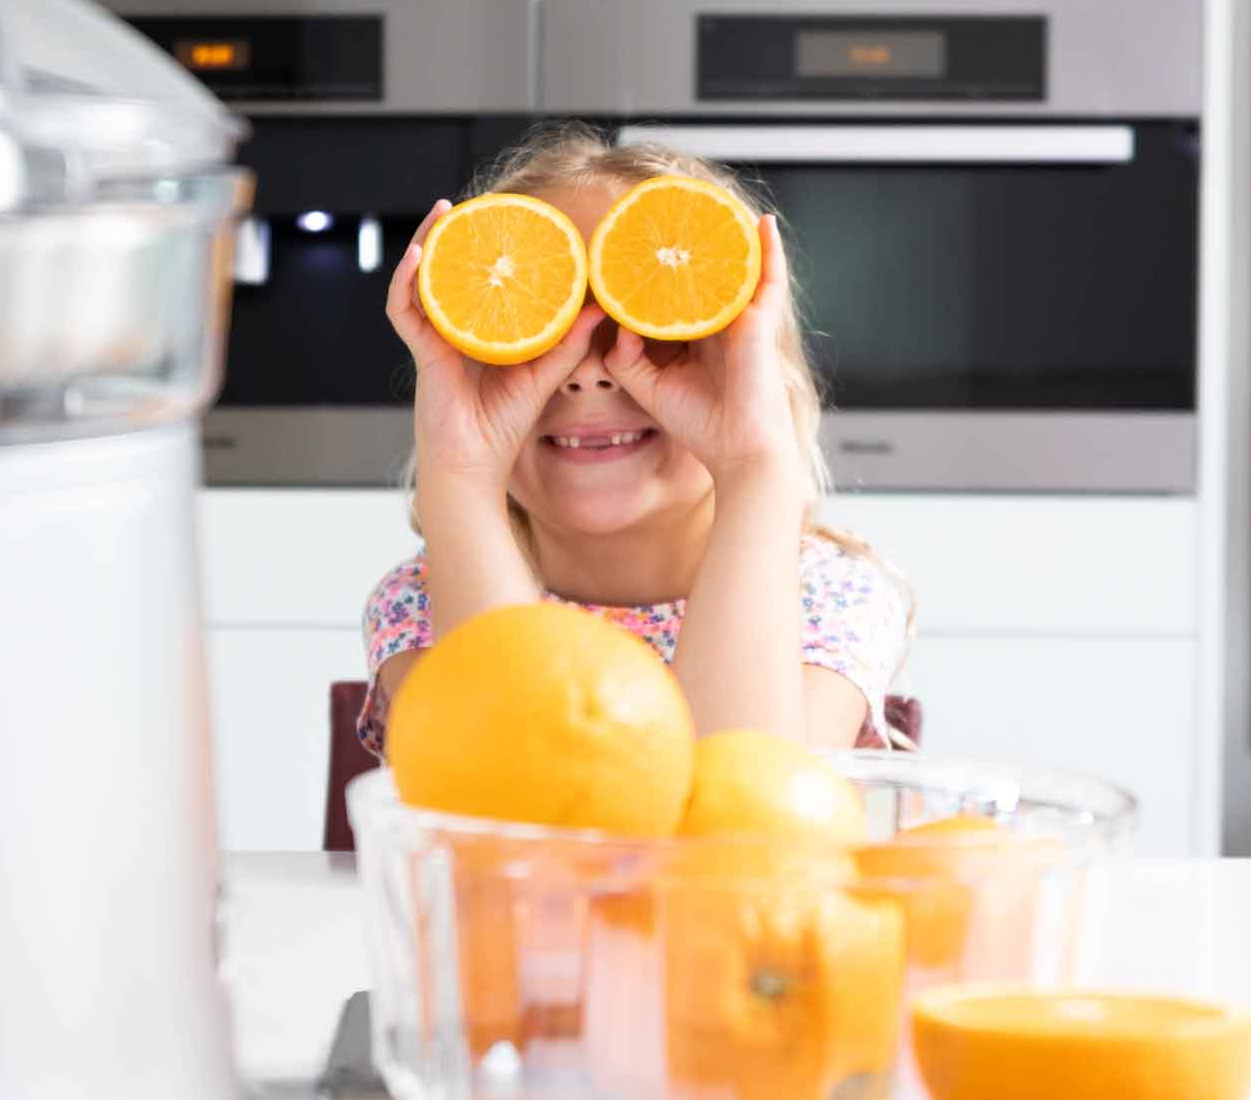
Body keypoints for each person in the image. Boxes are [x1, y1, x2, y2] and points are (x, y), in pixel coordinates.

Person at [357, 125, 911, 755]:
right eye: (543, 327)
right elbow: (516, 798)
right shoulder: (424, 601)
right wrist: (458, 473)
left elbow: (735, 800)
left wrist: (756, 467)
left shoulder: (827, 595)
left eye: (652, 325)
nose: (589, 371)